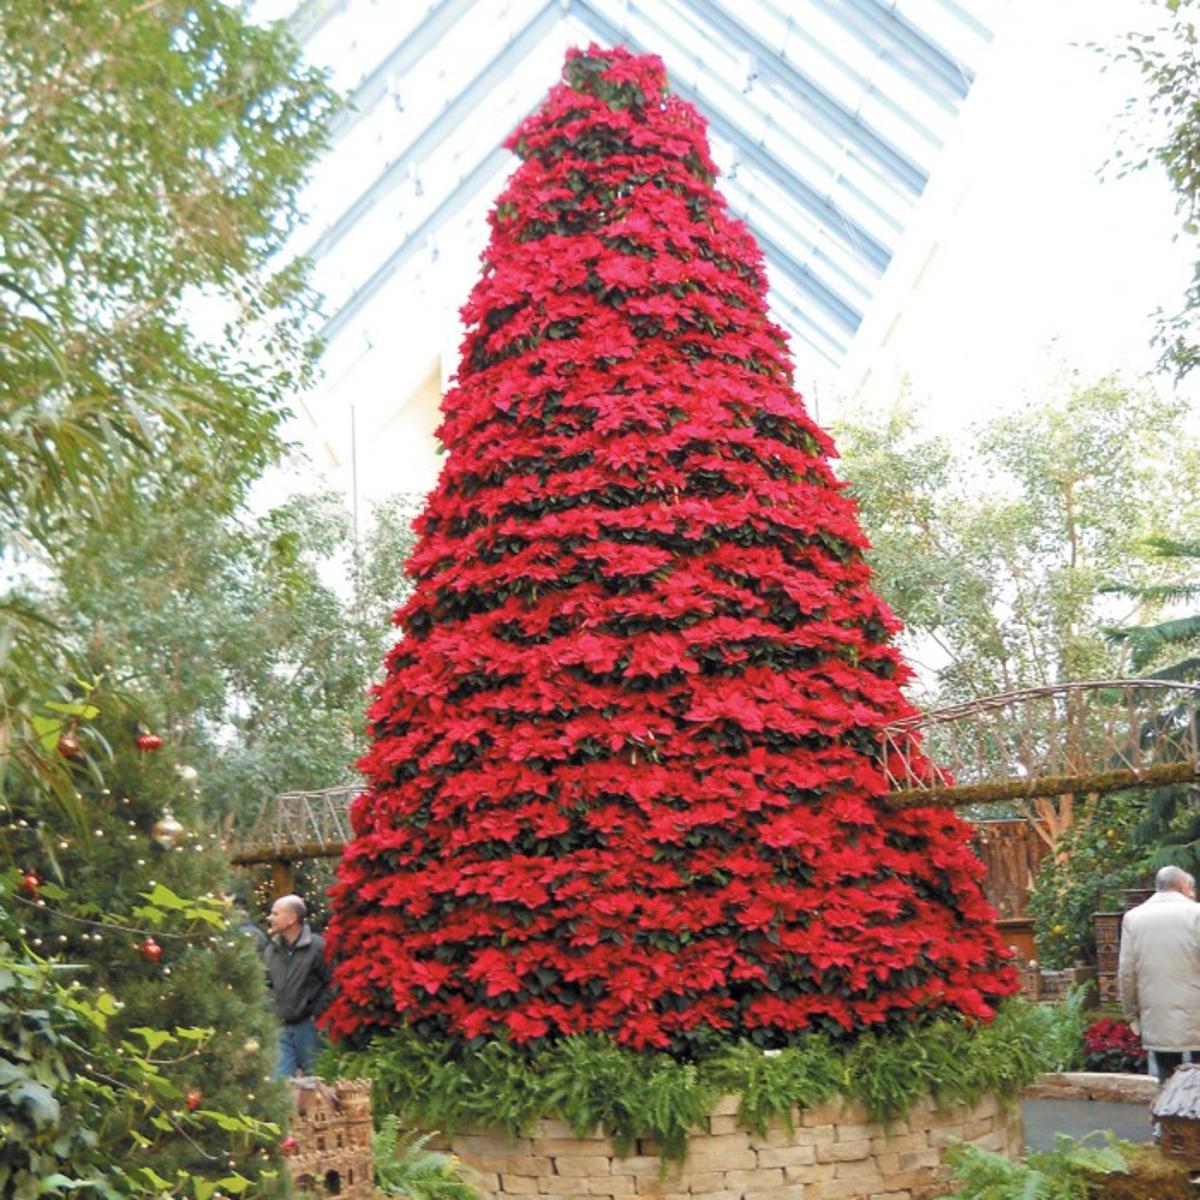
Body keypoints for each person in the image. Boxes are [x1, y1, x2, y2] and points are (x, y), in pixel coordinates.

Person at [1118, 864, 1200, 1083]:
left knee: (1166, 1080)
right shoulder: (1196, 914)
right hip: (1196, 1011)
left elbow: (1126, 972)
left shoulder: (1133, 918)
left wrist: (1131, 1013)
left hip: (1156, 1013)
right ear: (1183, 886)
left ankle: (1168, 1115)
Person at [263, 893, 332, 1077]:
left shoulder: (318, 947)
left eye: (275, 914)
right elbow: (266, 983)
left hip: (309, 1028)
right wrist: (270, 1011)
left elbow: (333, 982)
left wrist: (317, 1014)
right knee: (277, 1085)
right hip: (280, 1027)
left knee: (318, 1082)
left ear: (292, 918)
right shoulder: (270, 950)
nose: (270, 918)